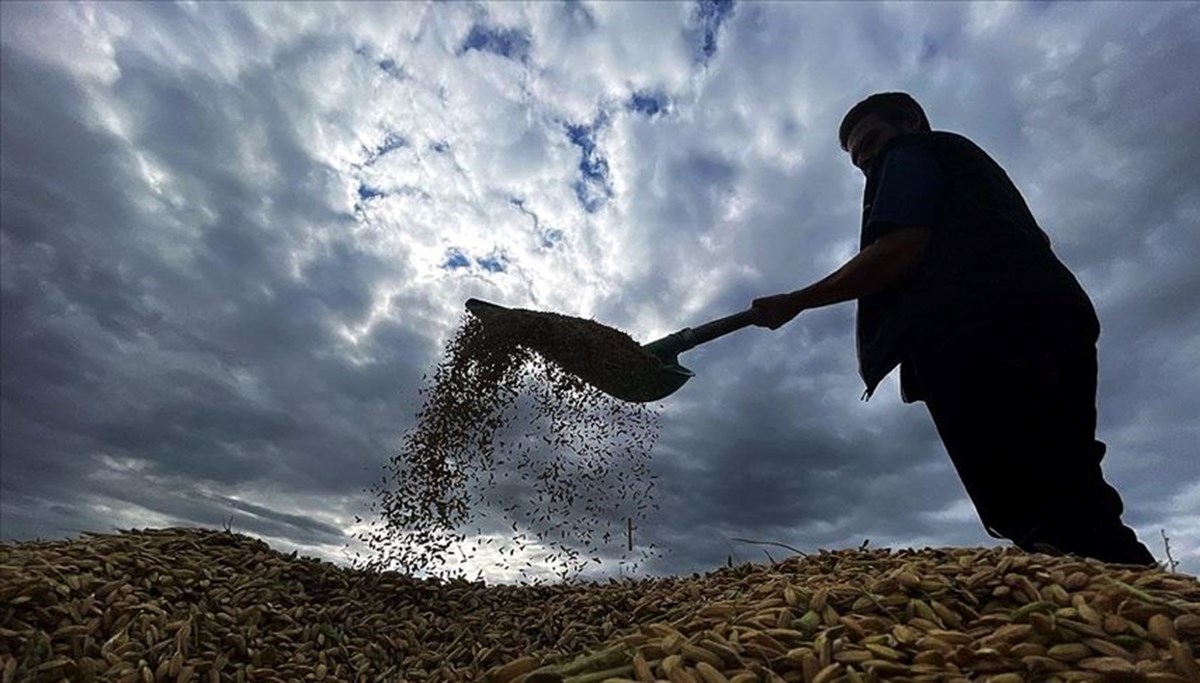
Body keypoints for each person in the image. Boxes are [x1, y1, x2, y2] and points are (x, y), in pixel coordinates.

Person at [751, 92, 1155, 566]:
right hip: (1053, 317)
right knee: (1068, 478)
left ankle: (1117, 614)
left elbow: (902, 246)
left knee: (1031, 498)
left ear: (910, 122)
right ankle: (1142, 606)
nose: (869, 162)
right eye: (859, 160)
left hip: (982, 331)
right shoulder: (978, 175)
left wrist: (796, 301)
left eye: (872, 143)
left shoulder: (911, 153)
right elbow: (1037, 242)